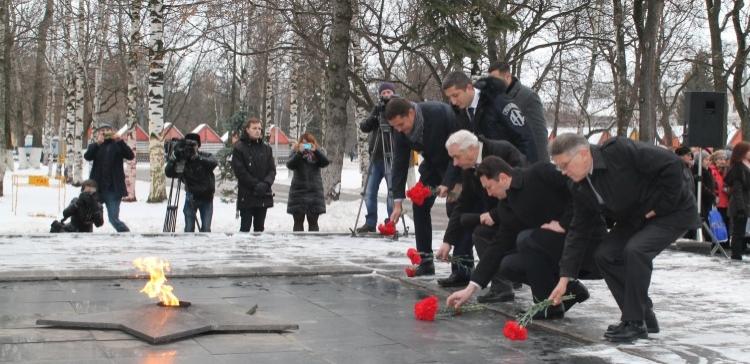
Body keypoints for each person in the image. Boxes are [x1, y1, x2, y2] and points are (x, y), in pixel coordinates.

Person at [548, 134, 699, 342]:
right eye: (559, 167)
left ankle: (634, 322)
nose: (564, 172)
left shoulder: (618, 151)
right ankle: (644, 316)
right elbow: (578, 231)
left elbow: (673, 163)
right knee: (605, 254)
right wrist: (565, 277)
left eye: (565, 165)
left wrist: (662, 206)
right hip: (637, 218)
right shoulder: (579, 186)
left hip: (673, 211)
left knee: (636, 250)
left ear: (583, 154)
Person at [446, 157, 592, 316]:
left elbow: (578, 188)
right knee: (508, 264)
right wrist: (470, 289)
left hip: (583, 238)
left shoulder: (539, 172)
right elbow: (498, 245)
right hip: (549, 248)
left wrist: (564, 223)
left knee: (525, 239)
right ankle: (568, 293)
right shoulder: (506, 205)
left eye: (489, 187)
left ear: (502, 178)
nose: (489, 193)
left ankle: (548, 307)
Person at [435, 130, 526, 290]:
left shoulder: (503, 151)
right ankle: (503, 283)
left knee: (484, 232)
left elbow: (521, 188)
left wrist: (494, 214)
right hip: (498, 214)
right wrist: (448, 241)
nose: (454, 163)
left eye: (456, 156)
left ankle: (503, 285)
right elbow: (463, 203)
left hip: (519, 214)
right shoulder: (469, 166)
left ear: (471, 149)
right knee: (474, 226)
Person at [386, 97, 461, 276]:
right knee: (419, 204)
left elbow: (458, 151)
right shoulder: (400, 129)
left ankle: (462, 268)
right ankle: (425, 261)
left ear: (411, 113)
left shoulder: (439, 114)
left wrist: (448, 182)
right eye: (395, 126)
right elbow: (400, 162)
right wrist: (397, 201)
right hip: (433, 167)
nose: (399, 130)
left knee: (457, 211)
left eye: (401, 124)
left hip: (457, 164)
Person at [442, 71, 539, 163]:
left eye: (455, 95)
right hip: (483, 173)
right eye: (449, 97)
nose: (453, 101)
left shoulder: (497, 101)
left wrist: (527, 172)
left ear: (469, 88)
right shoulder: (458, 112)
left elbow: (525, 137)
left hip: (509, 170)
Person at [356, 82, 396, 233]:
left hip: (392, 157)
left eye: (388, 92)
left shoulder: (398, 108)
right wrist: (375, 117)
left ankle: (390, 223)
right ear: (380, 94)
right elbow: (364, 127)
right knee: (370, 192)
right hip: (376, 157)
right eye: (383, 92)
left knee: (392, 192)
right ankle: (370, 222)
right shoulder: (377, 109)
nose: (386, 95)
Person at [489, 61, 549, 162]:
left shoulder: (528, 97)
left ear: (507, 76)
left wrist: (540, 167)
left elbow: (539, 135)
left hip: (525, 163)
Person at [83, 123, 134, 232]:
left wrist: (120, 141)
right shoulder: (96, 145)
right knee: (88, 214)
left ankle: (126, 234)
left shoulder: (118, 144)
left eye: (108, 130)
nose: (106, 133)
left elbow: (130, 155)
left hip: (114, 190)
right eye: (103, 131)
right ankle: (85, 235)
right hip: (97, 189)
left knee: (113, 219)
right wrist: (97, 143)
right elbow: (87, 156)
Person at [165, 133, 218, 232]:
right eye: (187, 145)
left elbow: (214, 162)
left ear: (198, 145)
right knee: (189, 228)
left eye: (193, 145)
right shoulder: (183, 160)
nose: (190, 148)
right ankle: (189, 246)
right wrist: (173, 158)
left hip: (207, 197)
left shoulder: (205, 156)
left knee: (206, 229)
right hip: (191, 196)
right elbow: (169, 173)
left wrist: (198, 158)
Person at [231, 117, 276, 232]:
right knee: (245, 228)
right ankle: (244, 250)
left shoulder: (266, 149)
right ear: (247, 129)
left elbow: (272, 170)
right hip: (247, 195)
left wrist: (265, 184)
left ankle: (259, 250)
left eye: (259, 128)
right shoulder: (239, 148)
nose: (257, 131)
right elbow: (240, 171)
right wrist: (256, 184)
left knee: (260, 229)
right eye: (254, 128)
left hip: (263, 195)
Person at [287, 133, 330, 231]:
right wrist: (299, 153)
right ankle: (298, 245)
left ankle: (314, 246)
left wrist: (316, 151)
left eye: (308, 143)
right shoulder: (295, 151)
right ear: (300, 143)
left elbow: (325, 162)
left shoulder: (318, 152)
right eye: (303, 143)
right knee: (298, 222)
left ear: (313, 143)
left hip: (314, 192)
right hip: (298, 192)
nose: (306, 146)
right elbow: (290, 165)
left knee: (313, 222)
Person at [724, 141, 750, 260]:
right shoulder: (738, 167)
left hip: (746, 202)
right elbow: (737, 190)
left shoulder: (746, 165)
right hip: (740, 204)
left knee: (741, 230)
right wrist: (741, 208)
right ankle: (736, 255)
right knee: (738, 231)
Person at [709, 150, 729, 226]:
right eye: (720, 159)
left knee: (726, 224)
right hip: (716, 203)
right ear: (715, 160)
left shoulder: (726, 171)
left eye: (724, 159)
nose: (723, 161)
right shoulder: (711, 170)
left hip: (726, 202)